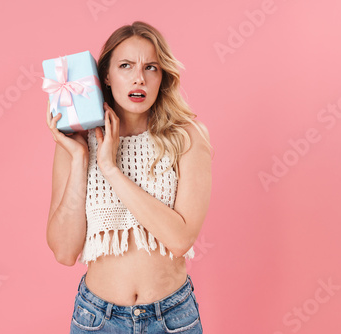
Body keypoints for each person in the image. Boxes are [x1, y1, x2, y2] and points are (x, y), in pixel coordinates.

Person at [46, 21, 213, 333]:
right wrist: (82, 157)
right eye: (126, 66)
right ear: (106, 75)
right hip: (97, 320)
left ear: (162, 76)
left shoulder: (188, 138)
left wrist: (110, 168)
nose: (139, 78)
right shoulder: (77, 144)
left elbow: (179, 240)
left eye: (150, 67)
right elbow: (64, 252)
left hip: (172, 319)